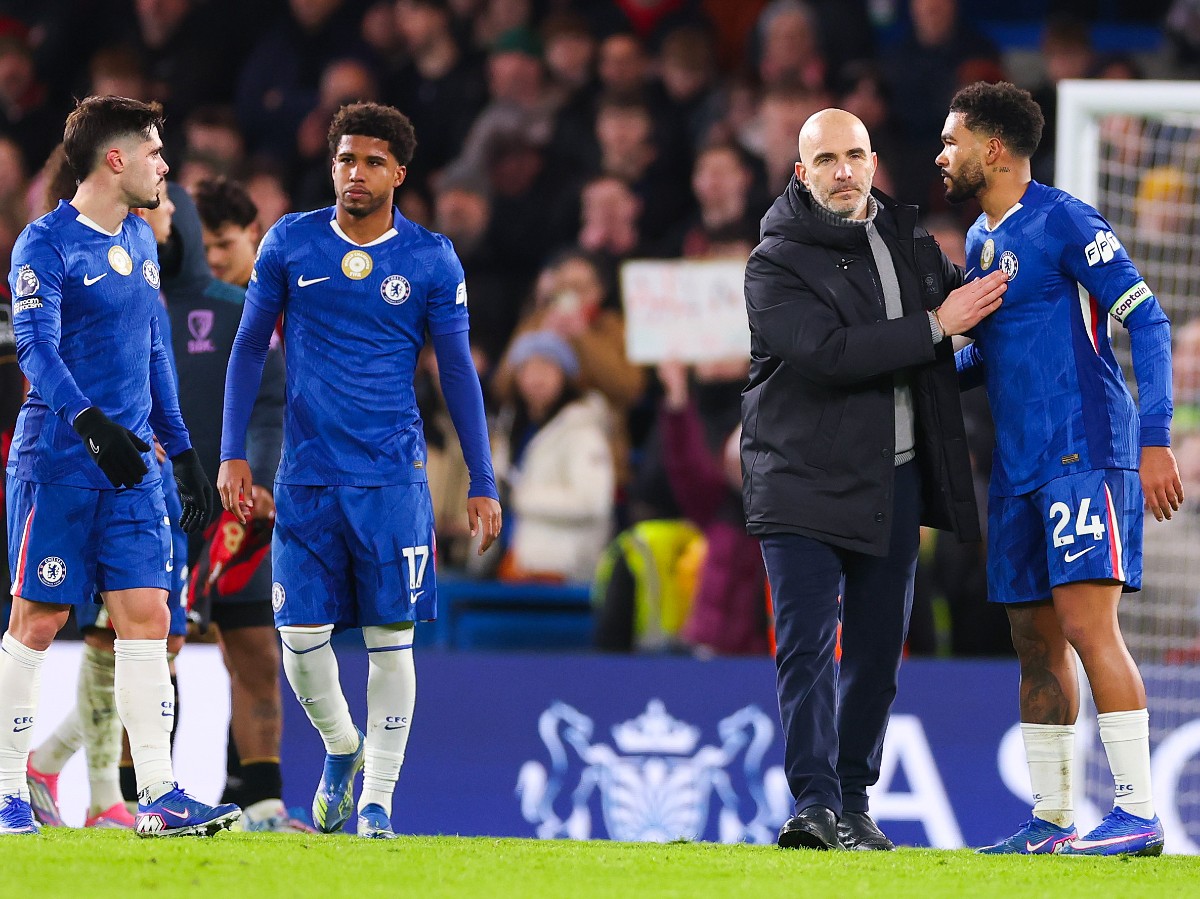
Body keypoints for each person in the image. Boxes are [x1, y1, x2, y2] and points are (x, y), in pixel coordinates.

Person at [218, 102, 501, 839]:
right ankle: (343, 747)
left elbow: (458, 373)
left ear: (399, 172)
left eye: (373, 161)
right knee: (301, 642)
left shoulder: (432, 258)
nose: (356, 173)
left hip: (392, 481)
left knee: (390, 640)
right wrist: (233, 450)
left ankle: (377, 799)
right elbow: (250, 348)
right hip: (306, 480)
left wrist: (482, 477)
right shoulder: (290, 242)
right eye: (346, 158)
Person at [741, 107, 1007, 851]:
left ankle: (853, 800)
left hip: (892, 480)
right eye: (826, 159)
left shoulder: (905, 239)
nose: (843, 171)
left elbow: (972, 311)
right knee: (805, 646)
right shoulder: (774, 260)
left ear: (874, 160)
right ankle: (814, 804)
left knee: (877, 653)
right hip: (799, 481)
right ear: (801, 172)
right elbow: (828, 353)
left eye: (855, 155)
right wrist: (936, 326)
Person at [937, 81, 1183, 857]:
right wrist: (927, 355)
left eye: (953, 141)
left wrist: (1155, 436)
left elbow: (1146, 316)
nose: (941, 155)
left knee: (1085, 623)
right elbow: (996, 354)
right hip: (1018, 468)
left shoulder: (1065, 219)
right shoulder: (981, 240)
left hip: (1084, 449)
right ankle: (1050, 820)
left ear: (995, 148)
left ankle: (1139, 813)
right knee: (1034, 641)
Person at [0, 95, 231, 838]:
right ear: (116, 158)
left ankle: (158, 794)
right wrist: (89, 421)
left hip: (132, 470)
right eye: (156, 151)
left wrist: (185, 451)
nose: (166, 165)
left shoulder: (137, 235)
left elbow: (155, 349)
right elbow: (35, 348)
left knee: (149, 618)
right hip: (59, 464)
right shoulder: (44, 244)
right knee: (38, 620)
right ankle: (7, 791)